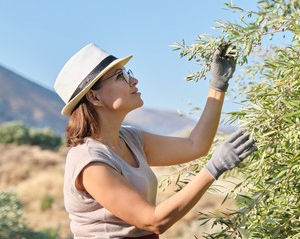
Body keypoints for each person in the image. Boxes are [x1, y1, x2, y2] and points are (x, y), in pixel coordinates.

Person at [54, 43, 256, 239]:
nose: (133, 80)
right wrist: (213, 169)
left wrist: (217, 86)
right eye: (120, 76)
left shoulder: (131, 139)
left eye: (127, 72)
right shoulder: (90, 161)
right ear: (94, 97)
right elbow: (153, 221)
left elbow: (195, 145)